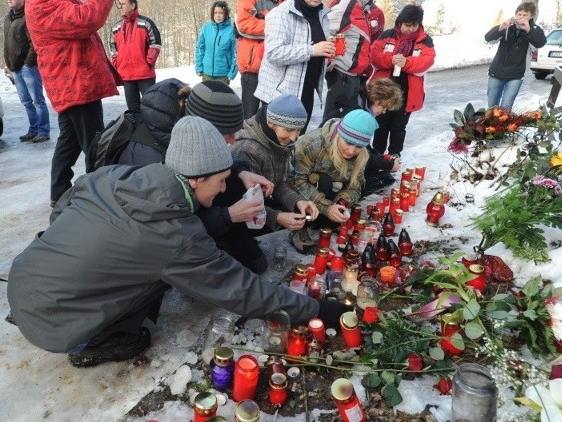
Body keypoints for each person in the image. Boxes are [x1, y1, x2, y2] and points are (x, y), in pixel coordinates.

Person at [7, 116, 350, 367]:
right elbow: (239, 289)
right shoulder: (174, 236)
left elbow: (63, 207)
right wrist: (318, 309)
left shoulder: (116, 175)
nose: (221, 190)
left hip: (24, 280)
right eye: (219, 181)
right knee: (145, 314)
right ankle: (91, 341)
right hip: (53, 324)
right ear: (196, 177)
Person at [117, 79, 272, 274]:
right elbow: (169, 231)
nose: (233, 141)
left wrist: (241, 171)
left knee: (233, 183)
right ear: (204, 127)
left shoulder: (191, 131)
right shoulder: (150, 160)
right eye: (226, 133)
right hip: (146, 249)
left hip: (186, 218)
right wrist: (229, 215)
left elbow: (212, 162)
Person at [25, 0, 119, 206]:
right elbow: (85, 18)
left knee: (69, 141)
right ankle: (101, 199)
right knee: (95, 144)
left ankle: (60, 193)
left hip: (72, 83)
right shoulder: (42, 1)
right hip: (75, 83)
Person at [254, 0, 334, 132]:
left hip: (305, 93)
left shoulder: (324, 16)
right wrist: (313, 50)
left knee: (294, 146)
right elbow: (273, 53)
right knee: (274, 148)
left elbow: (317, 52)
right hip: (279, 96)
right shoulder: (281, 14)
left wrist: (326, 60)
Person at [232, 93, 319, 236]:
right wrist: (277, 217)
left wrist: (298, 202)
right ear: (270, 123)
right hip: (242, 216)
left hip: (263, 204)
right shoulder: (248, 149)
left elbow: (279, 184)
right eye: (289, 130)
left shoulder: (278, 140)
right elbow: (244, 200)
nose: (294, 137)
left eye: (298, 130)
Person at [292, 109, 378, 252]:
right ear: (339, 133)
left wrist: (342, 202)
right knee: (323, 181)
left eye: (358, 146)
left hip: (330, 195)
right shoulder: (312, 144)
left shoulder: (360, 155)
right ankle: (300, 227)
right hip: (303, 194)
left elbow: (355, 186)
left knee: (331, 222)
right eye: (348, 142)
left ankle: (321, 218)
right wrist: (326, 208)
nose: (351, 151)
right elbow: (297, 182)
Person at [370, 4, 436, 157]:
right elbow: (374, 55)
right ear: (399, 22)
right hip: (384, 91)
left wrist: (406, 63)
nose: (410, 29)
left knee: (398, 127)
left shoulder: (425, 41)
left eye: (414, 25)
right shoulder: (388, 35)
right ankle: (376, 157)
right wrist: (390, 60)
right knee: (380, 125)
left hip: (407, 92)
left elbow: (427, 61)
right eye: (407, 25)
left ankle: (394, 157)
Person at [321, 77, 403, 196]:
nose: (384, 112)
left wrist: (382, 157)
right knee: (370, 173)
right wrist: (389, 165)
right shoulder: (359, 112)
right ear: (377, 99)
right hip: (331, 156)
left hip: (340, 151)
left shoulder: (360, 103)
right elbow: (361, 153)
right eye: (384, 107)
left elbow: (363, 147)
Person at [236, 0, 289, 119]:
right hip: (253, 68)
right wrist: (276, 26)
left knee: (273, 118)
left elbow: (291, 29)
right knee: (250, 118)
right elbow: (244, 25)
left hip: (277, 69)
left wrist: (262, 20)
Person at [322, 0, 380, 121]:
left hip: (352, 76)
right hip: (342, 76)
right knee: (334, 124)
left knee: (346, 124)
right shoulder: (346, 4)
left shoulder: (359, 5)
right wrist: (329, 62)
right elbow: (325, 31)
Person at [3, 0, 50, 143]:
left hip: (28, 67)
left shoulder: (28, 17)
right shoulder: (7, 19)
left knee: (37, 101)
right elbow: (8, 43)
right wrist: (8, 62)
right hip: (15, 68)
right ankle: (33, 129)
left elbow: (34, 43)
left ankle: (43, 131)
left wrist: (28, 63)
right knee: (26, 102)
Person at [484, 1, 546, 109]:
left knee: (506, 108)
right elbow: (488, 38)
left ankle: (503, 126)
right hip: (496, 72)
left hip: (515, 75)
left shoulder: (534, 30)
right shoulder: (508, 26)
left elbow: (540, 43)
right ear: (515, 14)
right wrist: (501, 27)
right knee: (492, 107)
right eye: (519, 14)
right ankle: (490, 126)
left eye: (525, 15)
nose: (521, 17)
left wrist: (528, 30)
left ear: (531, 16)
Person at [109, 0, 162, 111]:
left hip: (145, 75)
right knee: (133, 112)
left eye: (123, 4)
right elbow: (113, 48)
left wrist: (149, 61)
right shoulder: (116, 27)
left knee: (151, 109)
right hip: (126, 76)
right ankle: (136, 130)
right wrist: (117, 64)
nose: (120, 7)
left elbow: (156, 43)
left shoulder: (146, 23)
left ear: (132, 5)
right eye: (120, 4)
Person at [195, 0, 237, 84]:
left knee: (221, 97)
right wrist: (199, 67)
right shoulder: (206, 28)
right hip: (207, 73)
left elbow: (236, 53)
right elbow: (200, 48)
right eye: (215, 13)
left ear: (225, 14)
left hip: (223, 75)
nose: (218, 15)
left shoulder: (232, 30)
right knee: (206, 97)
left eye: (221, 13)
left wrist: (232, 72)